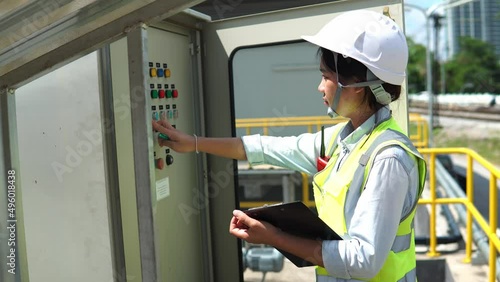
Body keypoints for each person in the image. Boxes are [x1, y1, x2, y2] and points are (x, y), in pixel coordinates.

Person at [152, 9, 427, 282]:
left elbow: (363, 260)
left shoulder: (388, 158)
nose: (320, 87)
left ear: (356, 83)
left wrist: (275, 238)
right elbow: (264, 148)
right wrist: (195, 143)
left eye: (326, 76)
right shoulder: (340, 140)